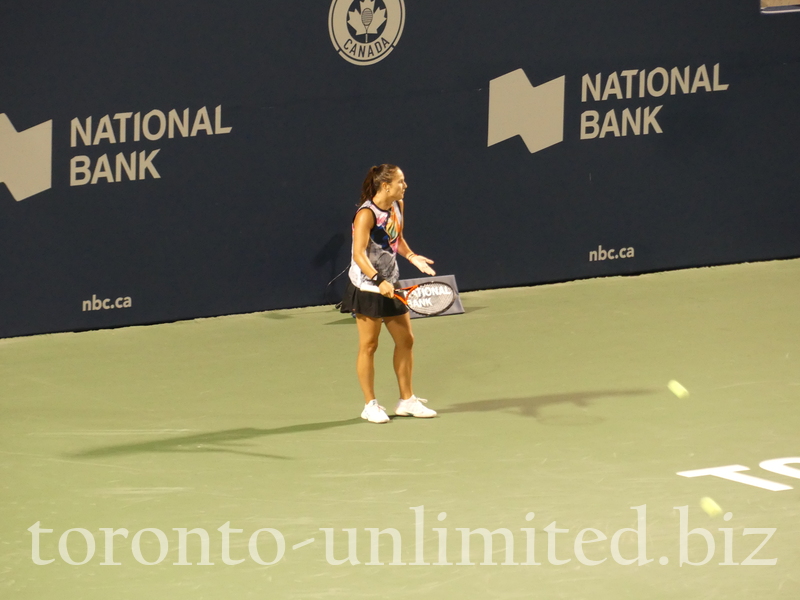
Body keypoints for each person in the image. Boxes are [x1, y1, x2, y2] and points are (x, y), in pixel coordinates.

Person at [339, 164, 438, 423]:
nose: (404, 186)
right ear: (385, 186)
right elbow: (359, 254)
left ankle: (406, 400)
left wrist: (413, 257)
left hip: (390, 284)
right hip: (367, 286)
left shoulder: (397, 206)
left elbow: (397, 239)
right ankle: (369, 405)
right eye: (400, 182)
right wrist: (377, 279)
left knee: (406, 340)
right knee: (369, 345)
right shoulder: (365, 214)